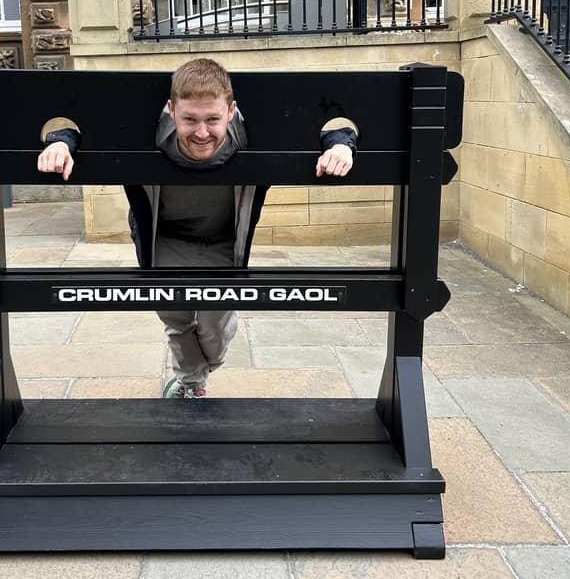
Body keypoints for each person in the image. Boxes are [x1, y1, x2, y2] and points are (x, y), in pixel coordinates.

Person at [37, 58, 358, 399]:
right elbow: (82, 127)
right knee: (177, 319)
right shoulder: (149, 131)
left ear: (231, 112)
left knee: (212, 332)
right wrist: (61, 143)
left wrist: (340, 146)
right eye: (189, 119)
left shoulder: (250, 135)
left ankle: (199, 369)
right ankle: (192, 386)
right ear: (170, 110)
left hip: (222, 241)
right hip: (165, 239)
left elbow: (334, 129)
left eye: (213, 119)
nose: (202, 132)